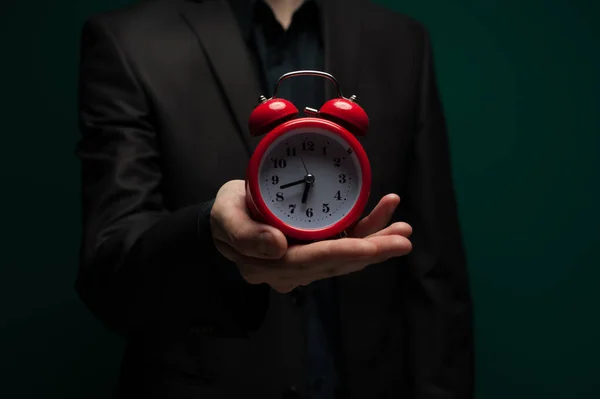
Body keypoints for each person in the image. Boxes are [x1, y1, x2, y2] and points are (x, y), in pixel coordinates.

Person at [75, 0, 474, 398]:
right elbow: (110, 271)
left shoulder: (401, 41)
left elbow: (435, 269)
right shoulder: (129, 40)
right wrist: (212, 236)